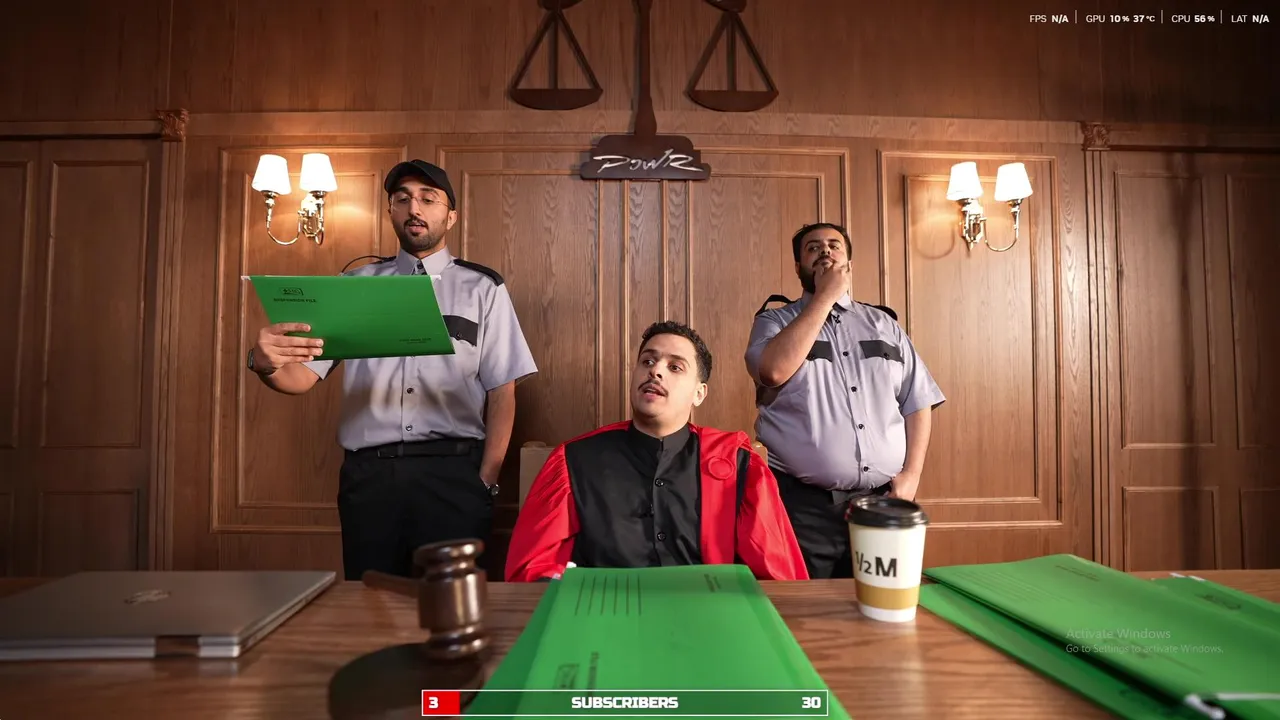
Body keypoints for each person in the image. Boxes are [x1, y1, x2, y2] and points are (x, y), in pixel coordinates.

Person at [245, 160, 538, 580]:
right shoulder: (353, 286)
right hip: (370, 479)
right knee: (370, 602)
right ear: (390, 212)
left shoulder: (483, 288)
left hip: (453, 476)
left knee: (451, 603)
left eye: (427, 199)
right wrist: (263, 365)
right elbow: (302, 378)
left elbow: (502, 391)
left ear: (450, 216)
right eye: (402, 199)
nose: (414, 208)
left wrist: (485, 480)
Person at [505, 321, 808, 583]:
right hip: (607, 615)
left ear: (699, 393)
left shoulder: (737, 464)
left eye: (675, 366)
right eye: (647, 361)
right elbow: (533, 573)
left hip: (706, 616)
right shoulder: (574, 461)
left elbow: (778, 579)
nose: (655, 371)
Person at [744, 222, 945, 580]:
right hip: (801, 508)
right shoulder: (773, 322)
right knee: (805, 607)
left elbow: (918, 400)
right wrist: (825, 296)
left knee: (881, 600)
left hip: (883, 502)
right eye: (813, 247)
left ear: (849, 263)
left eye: (834, 245)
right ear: (798, 267)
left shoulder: (884, 324)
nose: (825, 251)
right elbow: (773, 371)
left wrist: (911, 476)